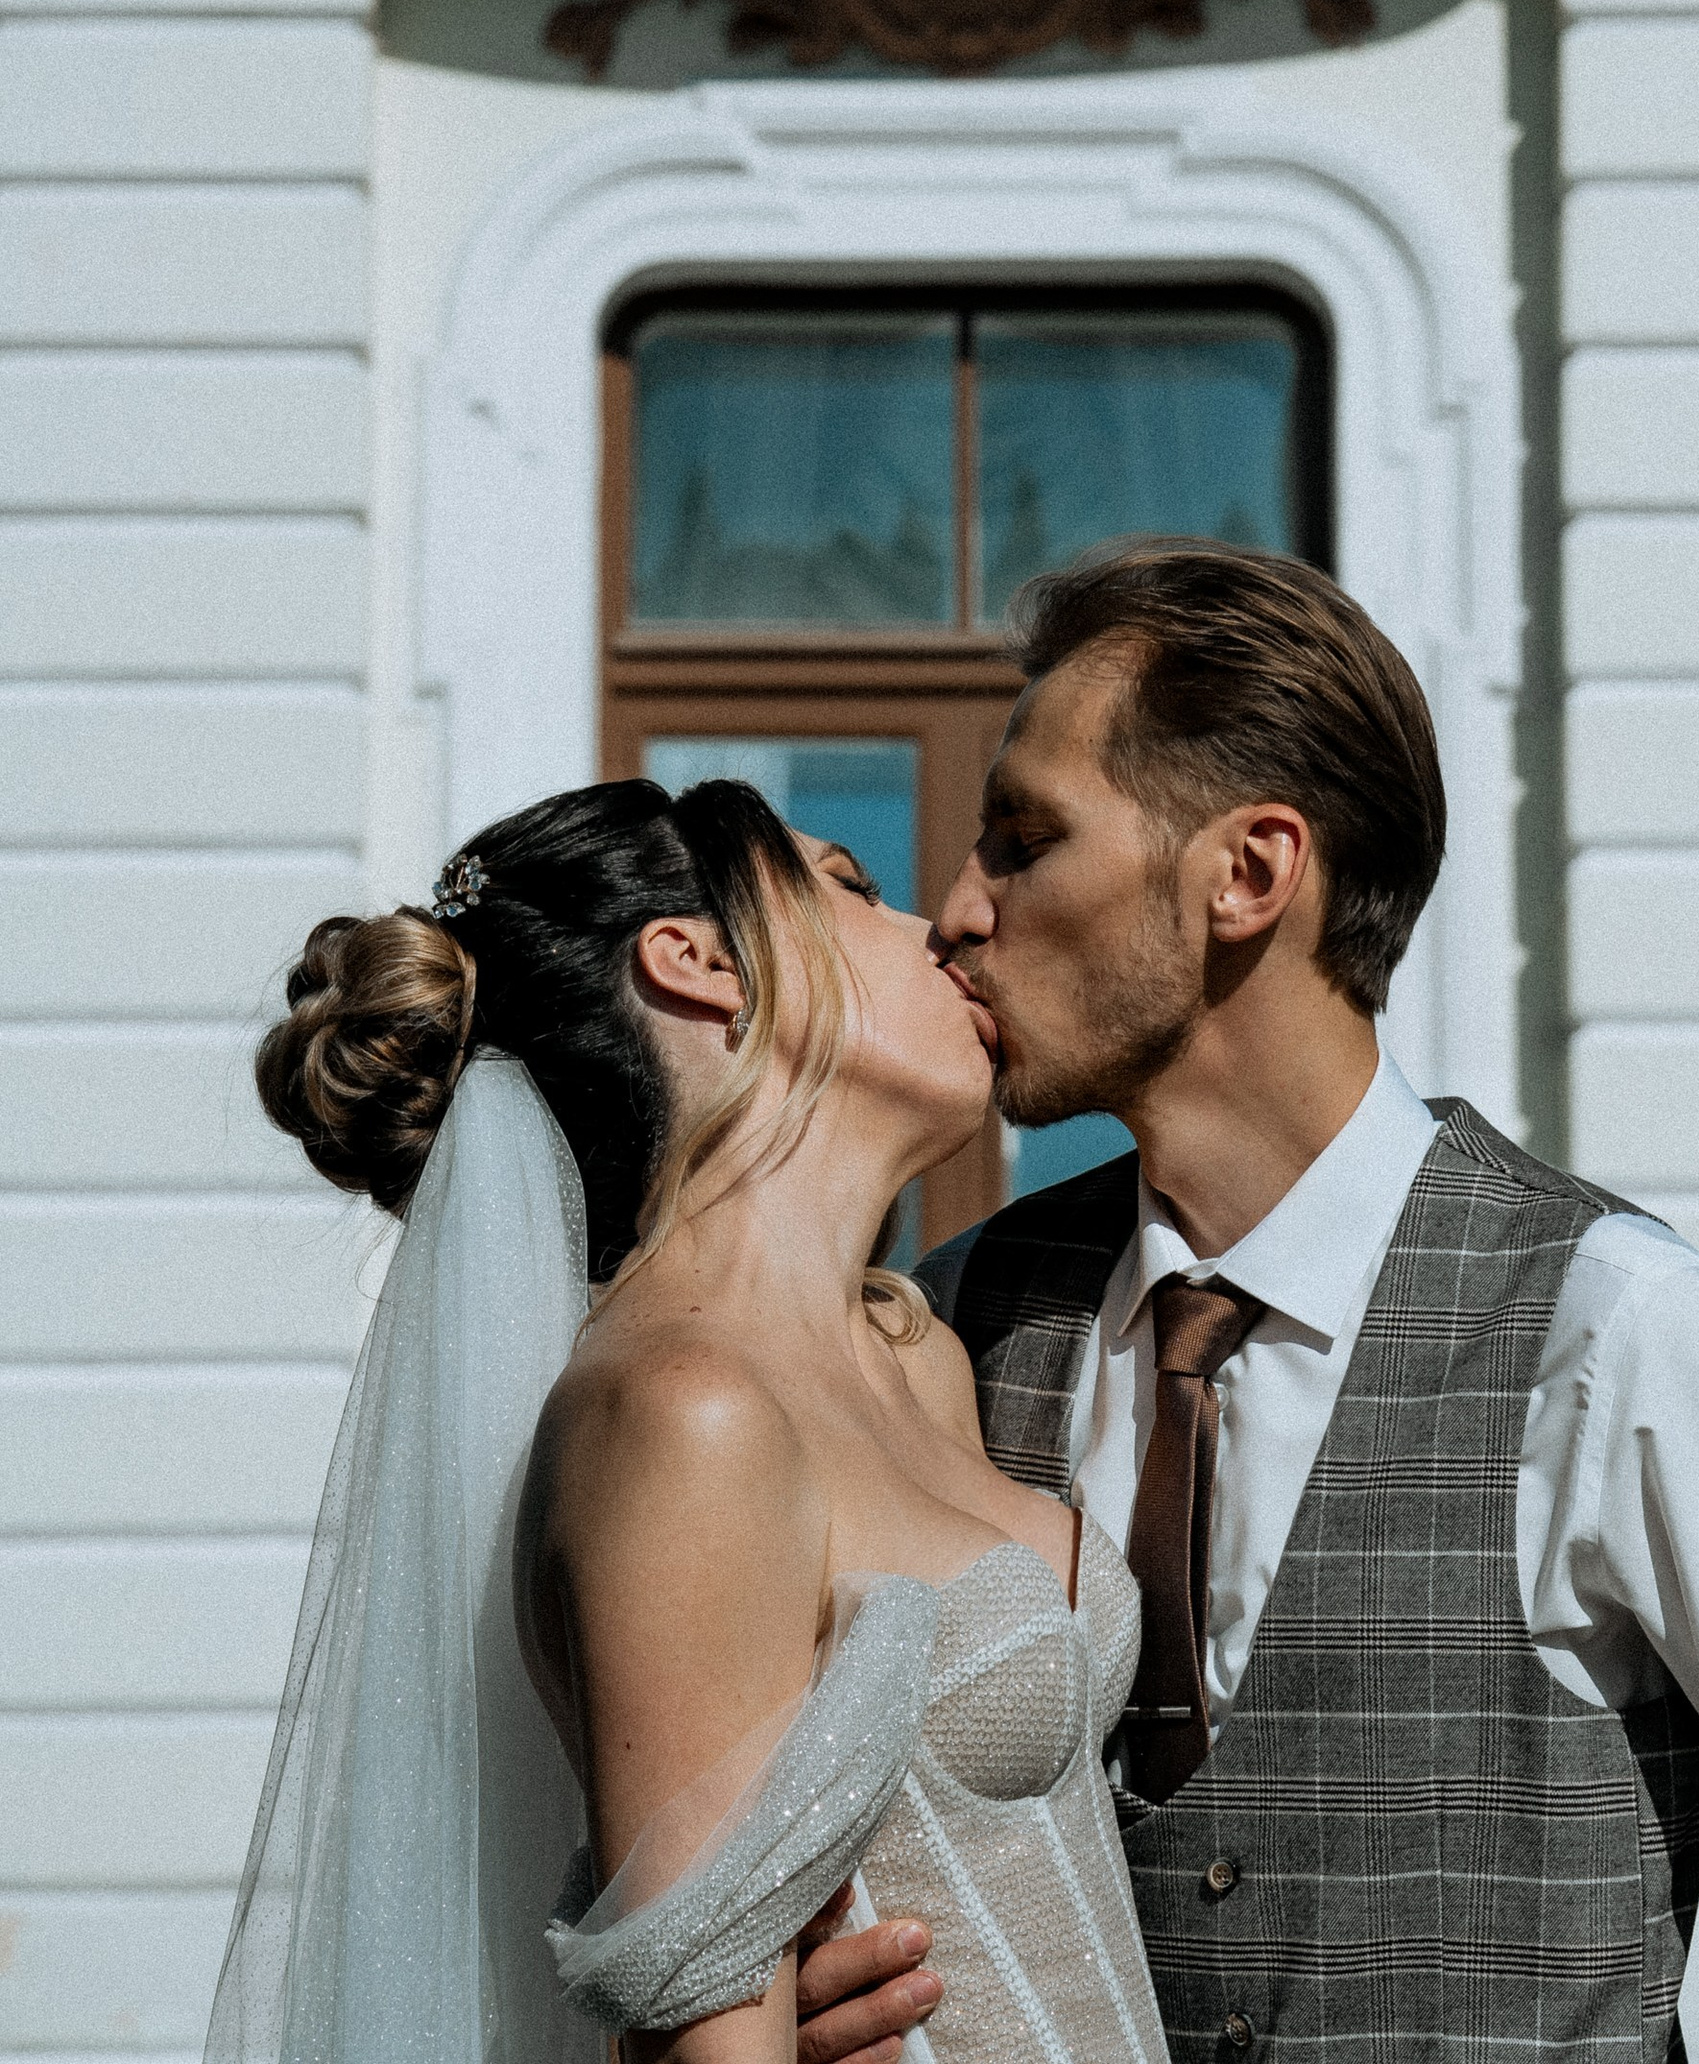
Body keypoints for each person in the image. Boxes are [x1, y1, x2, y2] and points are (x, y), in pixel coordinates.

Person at [799, 541, 1699, 2064]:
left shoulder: (1621, 1334)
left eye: (1024, 839)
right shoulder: (958, 1323)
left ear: (1249, 875)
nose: (958, 910)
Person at [205, 775, 1170, 2064]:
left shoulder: (918, 1355)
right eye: (853, 887)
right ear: (701, 964)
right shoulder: (680, 1415)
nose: (937, 928)